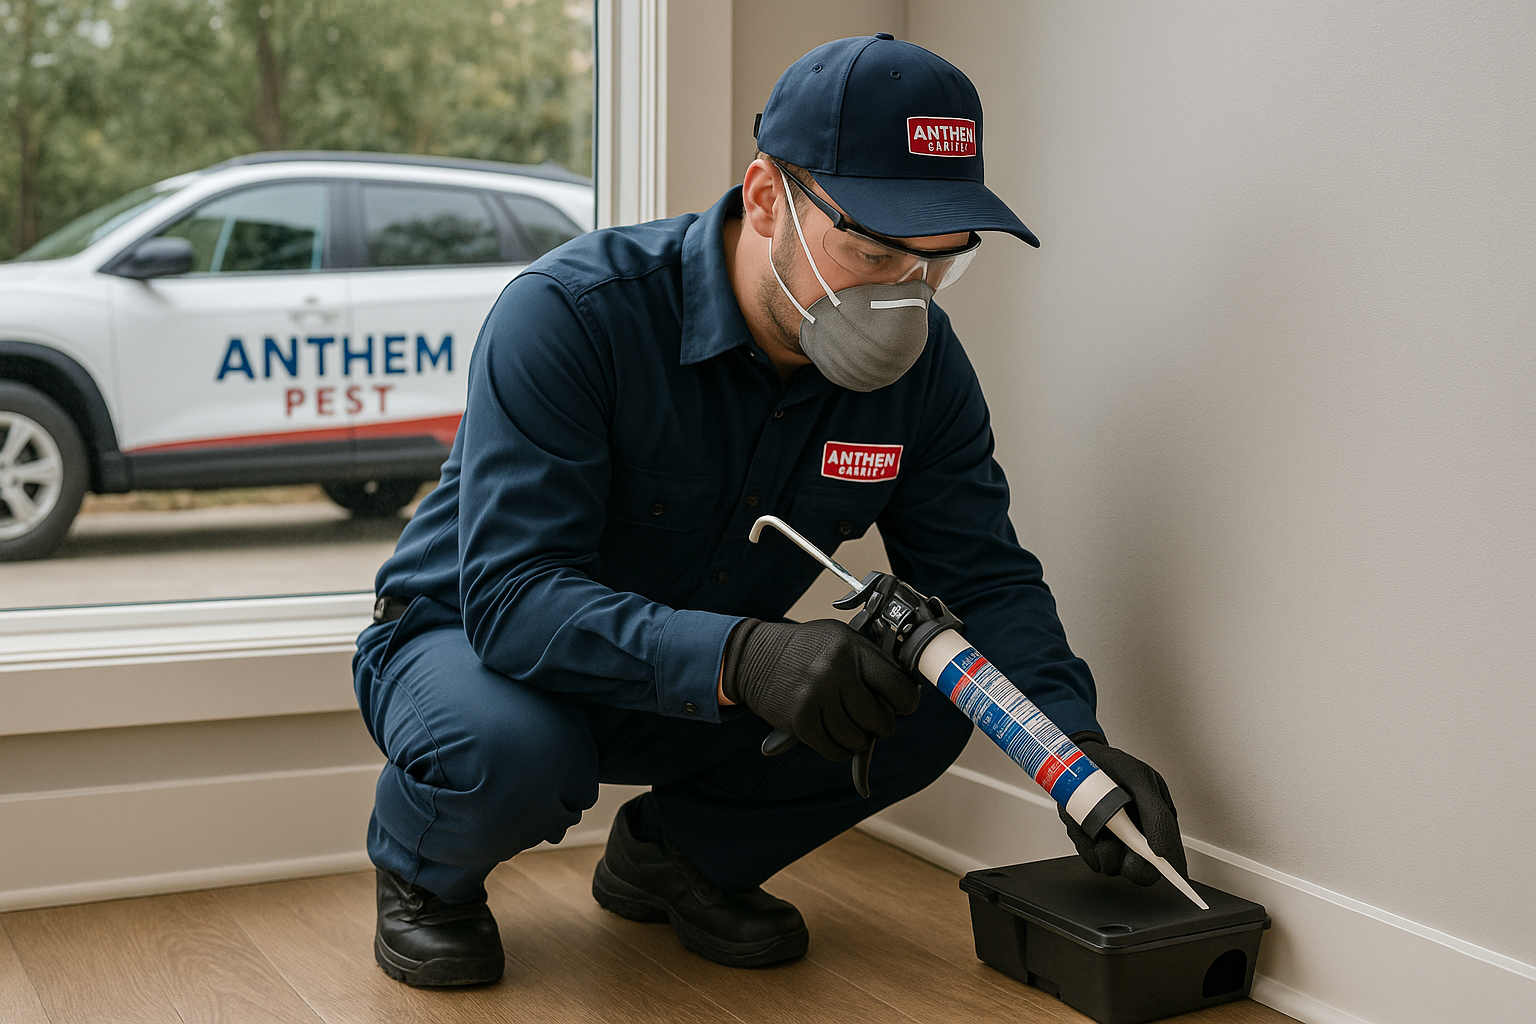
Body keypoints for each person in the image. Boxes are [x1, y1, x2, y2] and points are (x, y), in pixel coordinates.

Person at [354, 33, 1187, 988]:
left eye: (938, 263)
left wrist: (1073, 752)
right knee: (508, 751)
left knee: (934, 690)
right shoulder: (573, 316)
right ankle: (426, 875)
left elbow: (984, 576)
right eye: (873, 249)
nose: (903, 294)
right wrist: (743, 657)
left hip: (697, 677)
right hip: (476, 647)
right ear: (764, 198)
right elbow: (512, 599)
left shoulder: (922, 374)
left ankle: (678, 855)